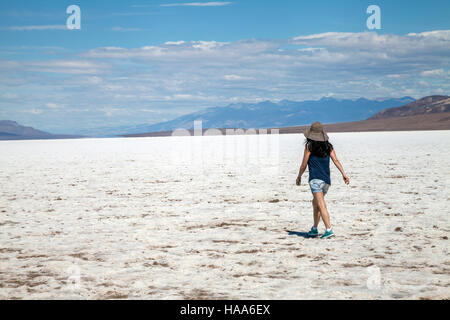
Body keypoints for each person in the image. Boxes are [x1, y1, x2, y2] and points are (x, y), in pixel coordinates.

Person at [295, 122, 349, 239]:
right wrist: (343, 174)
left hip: (315, 180)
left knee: (321, 204)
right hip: (326, 181)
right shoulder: (329, 146)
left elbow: (304, 164)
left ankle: (329, 230)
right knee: (315, 203)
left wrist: (299, 176)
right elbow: (336, 160)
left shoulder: (309, 146)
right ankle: (314, 229)